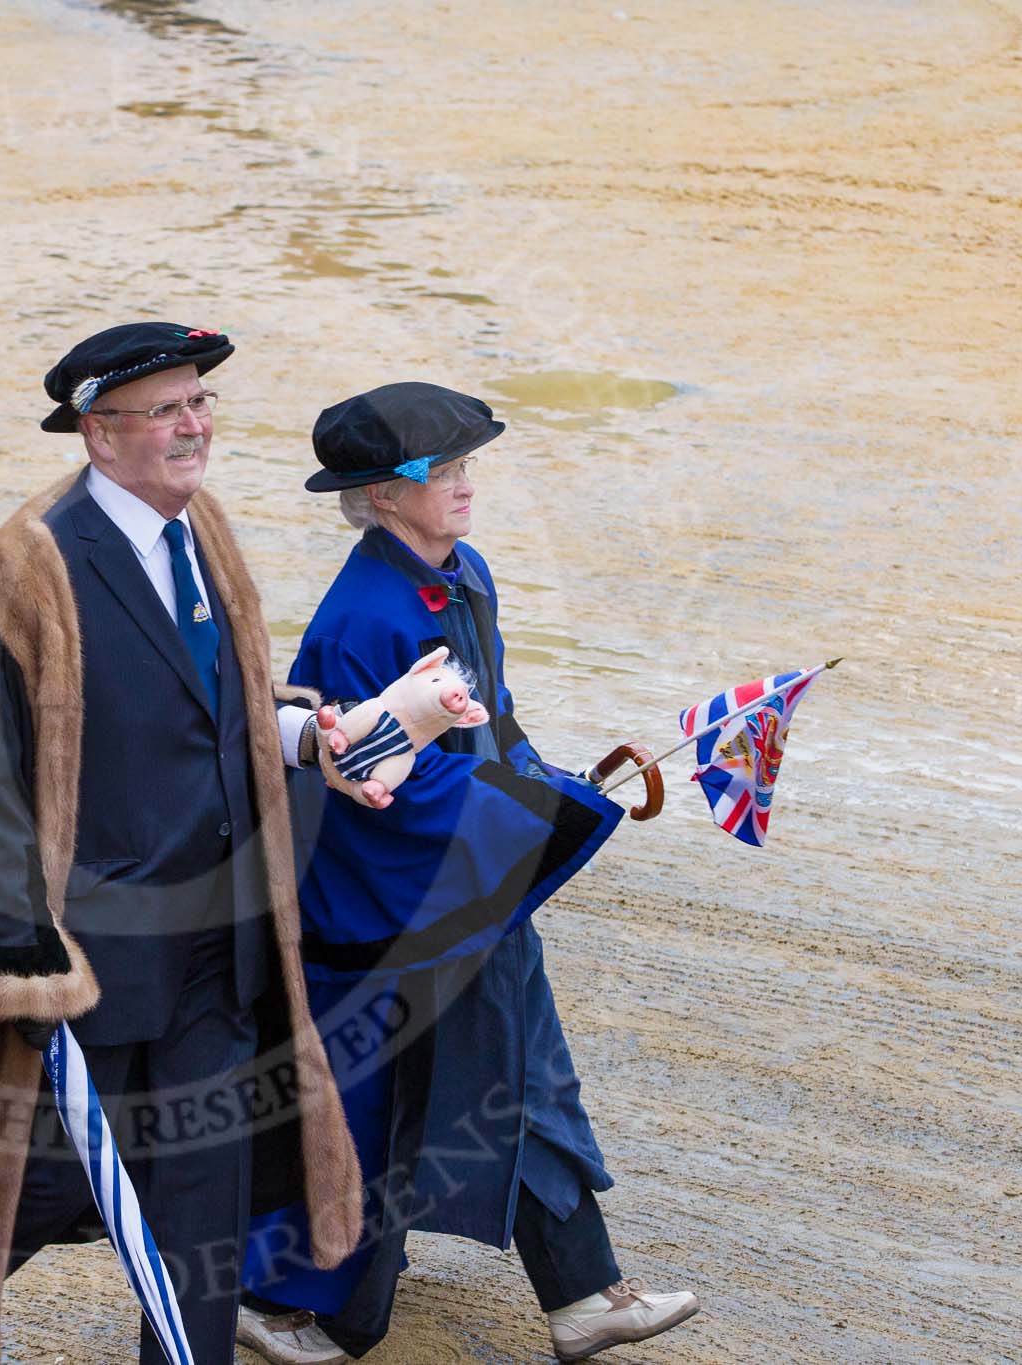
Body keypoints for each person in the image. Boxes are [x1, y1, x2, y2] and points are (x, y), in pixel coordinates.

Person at [0, 324, 425, 1364]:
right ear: (97, 433)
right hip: (89, 977)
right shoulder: (20, 572)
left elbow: (217, 703)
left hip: (220, 963)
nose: (192, 426)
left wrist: (311, 739)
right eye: (165, 409)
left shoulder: (203, 531)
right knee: (4, 1201)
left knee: (200, 1235)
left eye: (199, 404)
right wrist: (20, 967)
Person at [235, 383, 700, 1363]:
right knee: (393, 1099)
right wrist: (542, 816)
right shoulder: (363, 617)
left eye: (463, 465)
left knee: (515, 1073)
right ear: (378, 494)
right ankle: (276, 1298)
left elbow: (489, 718)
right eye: (437, 471)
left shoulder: (462, 572)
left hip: (469, 880)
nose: (461, 485)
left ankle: (580, 1296)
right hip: (390, 900)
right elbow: (376, 775)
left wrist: (545, 778)